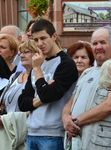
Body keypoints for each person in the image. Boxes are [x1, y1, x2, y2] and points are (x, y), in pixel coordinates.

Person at [18, 19, 78, 150]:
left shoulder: (65, 63)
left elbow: (49, 95)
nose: (39, 44)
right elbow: (22, 102)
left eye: (43, 38)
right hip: (32, 132)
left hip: (53, 134)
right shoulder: (38, 62)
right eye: (36, 40)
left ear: (54, 36)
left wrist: (38, 70)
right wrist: (41, 98)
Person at [62, 26, 111, 150]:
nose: (98, 47)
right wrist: (65, 118)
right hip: (78, 142)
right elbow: (71, 101)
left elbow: (110, 105)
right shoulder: (87, 72)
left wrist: (77, 121)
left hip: (100, 143)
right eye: (95, 43)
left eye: (103, 42)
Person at [0, 39, 39, 127]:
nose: (22, 56)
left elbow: (38, 105)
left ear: (37, 54)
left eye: (26, 52)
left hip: (27, 127)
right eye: (20, 53)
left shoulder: (40, 76)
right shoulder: (15, 76)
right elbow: (2, 101)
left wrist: (12, 118)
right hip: (8, 127)